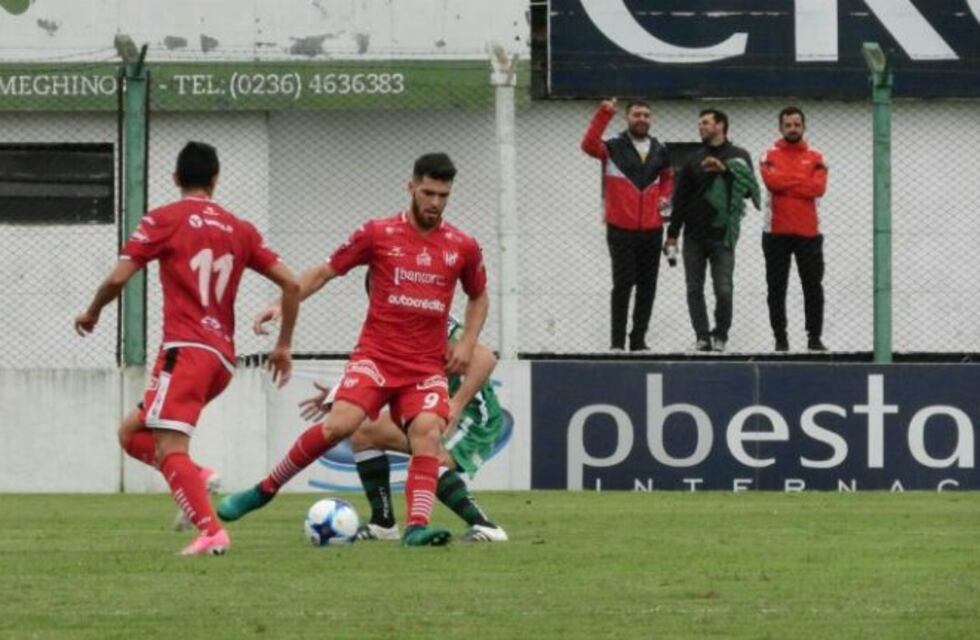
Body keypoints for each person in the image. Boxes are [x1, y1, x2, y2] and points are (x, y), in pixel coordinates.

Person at [217, 152, 489, 547]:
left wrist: (466, 342)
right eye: (428, 192)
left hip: (424, 366)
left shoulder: (462, 246)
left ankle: (415, 527)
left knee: (427, 433)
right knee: (340, 425)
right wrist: (283, 304)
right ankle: (263, 490)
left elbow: (479, 297)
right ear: (410, 186)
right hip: (376, 358)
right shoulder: (377, 234)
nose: (434, 202)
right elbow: (325, 271)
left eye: (443, 195)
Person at [74, 141, 300, 556]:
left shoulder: (165, 219)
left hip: (186, 349)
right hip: (221, 360)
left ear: (176, 179)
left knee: (168, 448)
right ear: (215, 179)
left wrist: (92, 312)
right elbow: (292, 284)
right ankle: (199, 476)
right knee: (130, 433)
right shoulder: (240, 228)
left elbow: (117, 279)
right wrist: (283, 345)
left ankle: (211, 531)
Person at [299, 313, 508, 542]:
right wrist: (337, 396)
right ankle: (383, 523)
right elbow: (376, 371)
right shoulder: (389, 322)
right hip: (430, 406)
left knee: (427, 457)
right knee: (364, 431)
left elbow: (485, 359)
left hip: (474, 414)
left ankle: (486, 526)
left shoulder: (433, 316)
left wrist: (456, 405)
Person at [581, 97, 673, 351]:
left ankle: (638, 340)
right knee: (623, 284)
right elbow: (588, 145)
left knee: (648, 286)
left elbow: (667, 179)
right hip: (620, 227)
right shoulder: (612, 147)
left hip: (652, 229)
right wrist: (604, 112)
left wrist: (664, 197)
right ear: (627, 117)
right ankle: (617, 342)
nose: (642, 119)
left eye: (646, 115)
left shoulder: (660, 149)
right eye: (636, 115)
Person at [664, 109, 757, 353]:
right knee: (694, 288)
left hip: (723, 235)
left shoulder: (739, 155)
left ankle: (721, 335)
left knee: (723, 289)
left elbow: (748, 190)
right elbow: (680, 199)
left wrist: (724, 171)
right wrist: (672, 234)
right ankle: (702, 336)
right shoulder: (693, 160)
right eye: (700, 123)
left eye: (705, 123)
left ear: (721, 125)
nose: (701, 127)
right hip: (693, 236)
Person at [759, 106, 829, 352]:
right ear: (781, 127)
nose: (792, 129)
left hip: (809, 233)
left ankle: (814, 337)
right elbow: (771, 182)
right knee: (776, 288)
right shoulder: (768, 153)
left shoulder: (817, 156)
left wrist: (787, 181)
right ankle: (780, 338)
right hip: (775, 233)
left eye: (797, 124)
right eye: (788, 125)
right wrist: (801, 178)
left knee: (813, 286)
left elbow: (817, 189)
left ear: (804, 126)